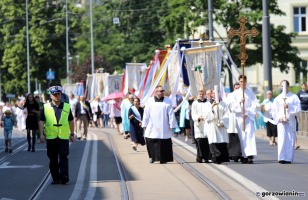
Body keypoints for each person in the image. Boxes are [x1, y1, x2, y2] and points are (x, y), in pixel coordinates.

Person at [39, 84, 74, 185]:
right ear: (50, 96)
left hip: (63, 137)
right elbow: (41, 121)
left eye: (58, 94)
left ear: (61, 95)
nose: (56, 96)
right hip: (51, 137)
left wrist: (72, 134)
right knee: (53, 158)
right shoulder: (45, 107)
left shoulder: (66, 106)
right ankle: (56, 178)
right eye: (54, 94)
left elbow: (71, 120)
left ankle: (64, 176)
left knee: (63, 156)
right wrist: (41, 134)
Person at [142, 85, 178, 164]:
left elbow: (171, 113)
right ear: (156, 92)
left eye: (163, 91)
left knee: (163, 141)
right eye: (161, 91)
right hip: (152, 124)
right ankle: (152, 157)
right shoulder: (150, 101)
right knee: (150, 140)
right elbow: (146, 113)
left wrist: (172, 125)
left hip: (164, 124)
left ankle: (164, 158)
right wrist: (144, 124)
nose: (162, 92)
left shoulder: (167, 100)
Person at [230, 75, 257, 164]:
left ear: (246, 82)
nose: (242, 83)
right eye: (241, 81)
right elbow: (232, 106)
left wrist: (247, 113)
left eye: (244, 81)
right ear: (239, 82)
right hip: (239, 117)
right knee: (242, 137)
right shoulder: (235, 93)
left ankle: (250, 156)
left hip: (248, 117)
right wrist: (239, 102)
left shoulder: (250, 93)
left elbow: (254, 105)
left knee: (249, 136)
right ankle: (244, 155)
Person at [272, 80, 301, 164]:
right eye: (281, 86)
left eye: (285, 86)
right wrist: (279, 118)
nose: (283, 88)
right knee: (281, 139)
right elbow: (274, 111)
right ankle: (281, 157)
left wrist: (289, 106)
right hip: (281, 121)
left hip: (290, 121)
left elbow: (298, 108)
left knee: (290, 138)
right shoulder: (277, 98)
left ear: (288, 86)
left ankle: (288, 158)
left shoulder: (294, 97)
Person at [204, 91, 230, 164]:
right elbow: (206, 115)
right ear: (212, 95)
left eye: (218, 93)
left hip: (221, 126)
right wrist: (212, 107)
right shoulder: (208, 104)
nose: (216, 95)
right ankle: (215, 157)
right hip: (213, 126)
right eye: (214, 93)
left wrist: (222, 122)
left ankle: (222, 158)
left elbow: (227, 114)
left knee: (221, 141)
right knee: (214, 140)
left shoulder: (224, 104)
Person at [191, 89, 211, 163]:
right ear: (198, 94)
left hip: (206, 123)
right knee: (199, 141)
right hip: (198, 125)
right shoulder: (194, 103)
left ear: (205, 94)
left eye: (202, 94)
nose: (201, 95)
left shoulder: (208, 103)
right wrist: (198, 118)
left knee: (206, 141)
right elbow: (193, 114)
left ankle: (206, 157)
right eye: (200, 94)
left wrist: (205, 117)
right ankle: (199, 156)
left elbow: (210, 112)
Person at [226, 82, 242, 162]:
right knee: (232, 136)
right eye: (236, 88)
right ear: (234, 88)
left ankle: (239, 153)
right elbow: (227, 104)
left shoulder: (242, 95)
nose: (237, 89)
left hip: (240, 117)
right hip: (232, 117)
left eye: (238, 88)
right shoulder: (230, 95)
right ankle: (232, 154)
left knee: (240, 137)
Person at [296, 82, 308, 150]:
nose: (304, 87)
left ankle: (305, 131)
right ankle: (301, 131)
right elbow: (297, 100)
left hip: (307, 108)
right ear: (301, 86)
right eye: (303, 86)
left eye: (305, 86)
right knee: (302, 121)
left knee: (306, 120)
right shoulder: (299, 93)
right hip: (301, 108)